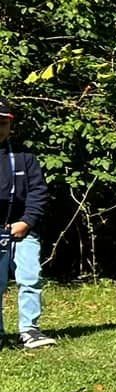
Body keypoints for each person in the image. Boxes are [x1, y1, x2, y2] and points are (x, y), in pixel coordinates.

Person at [0, 103, 55, 350]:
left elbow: (38, 193)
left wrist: (26, 221)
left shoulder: (25, 158)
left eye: (3, 123)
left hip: (23, 230)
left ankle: (30, 330)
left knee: (30, 277)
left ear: (10, 125)